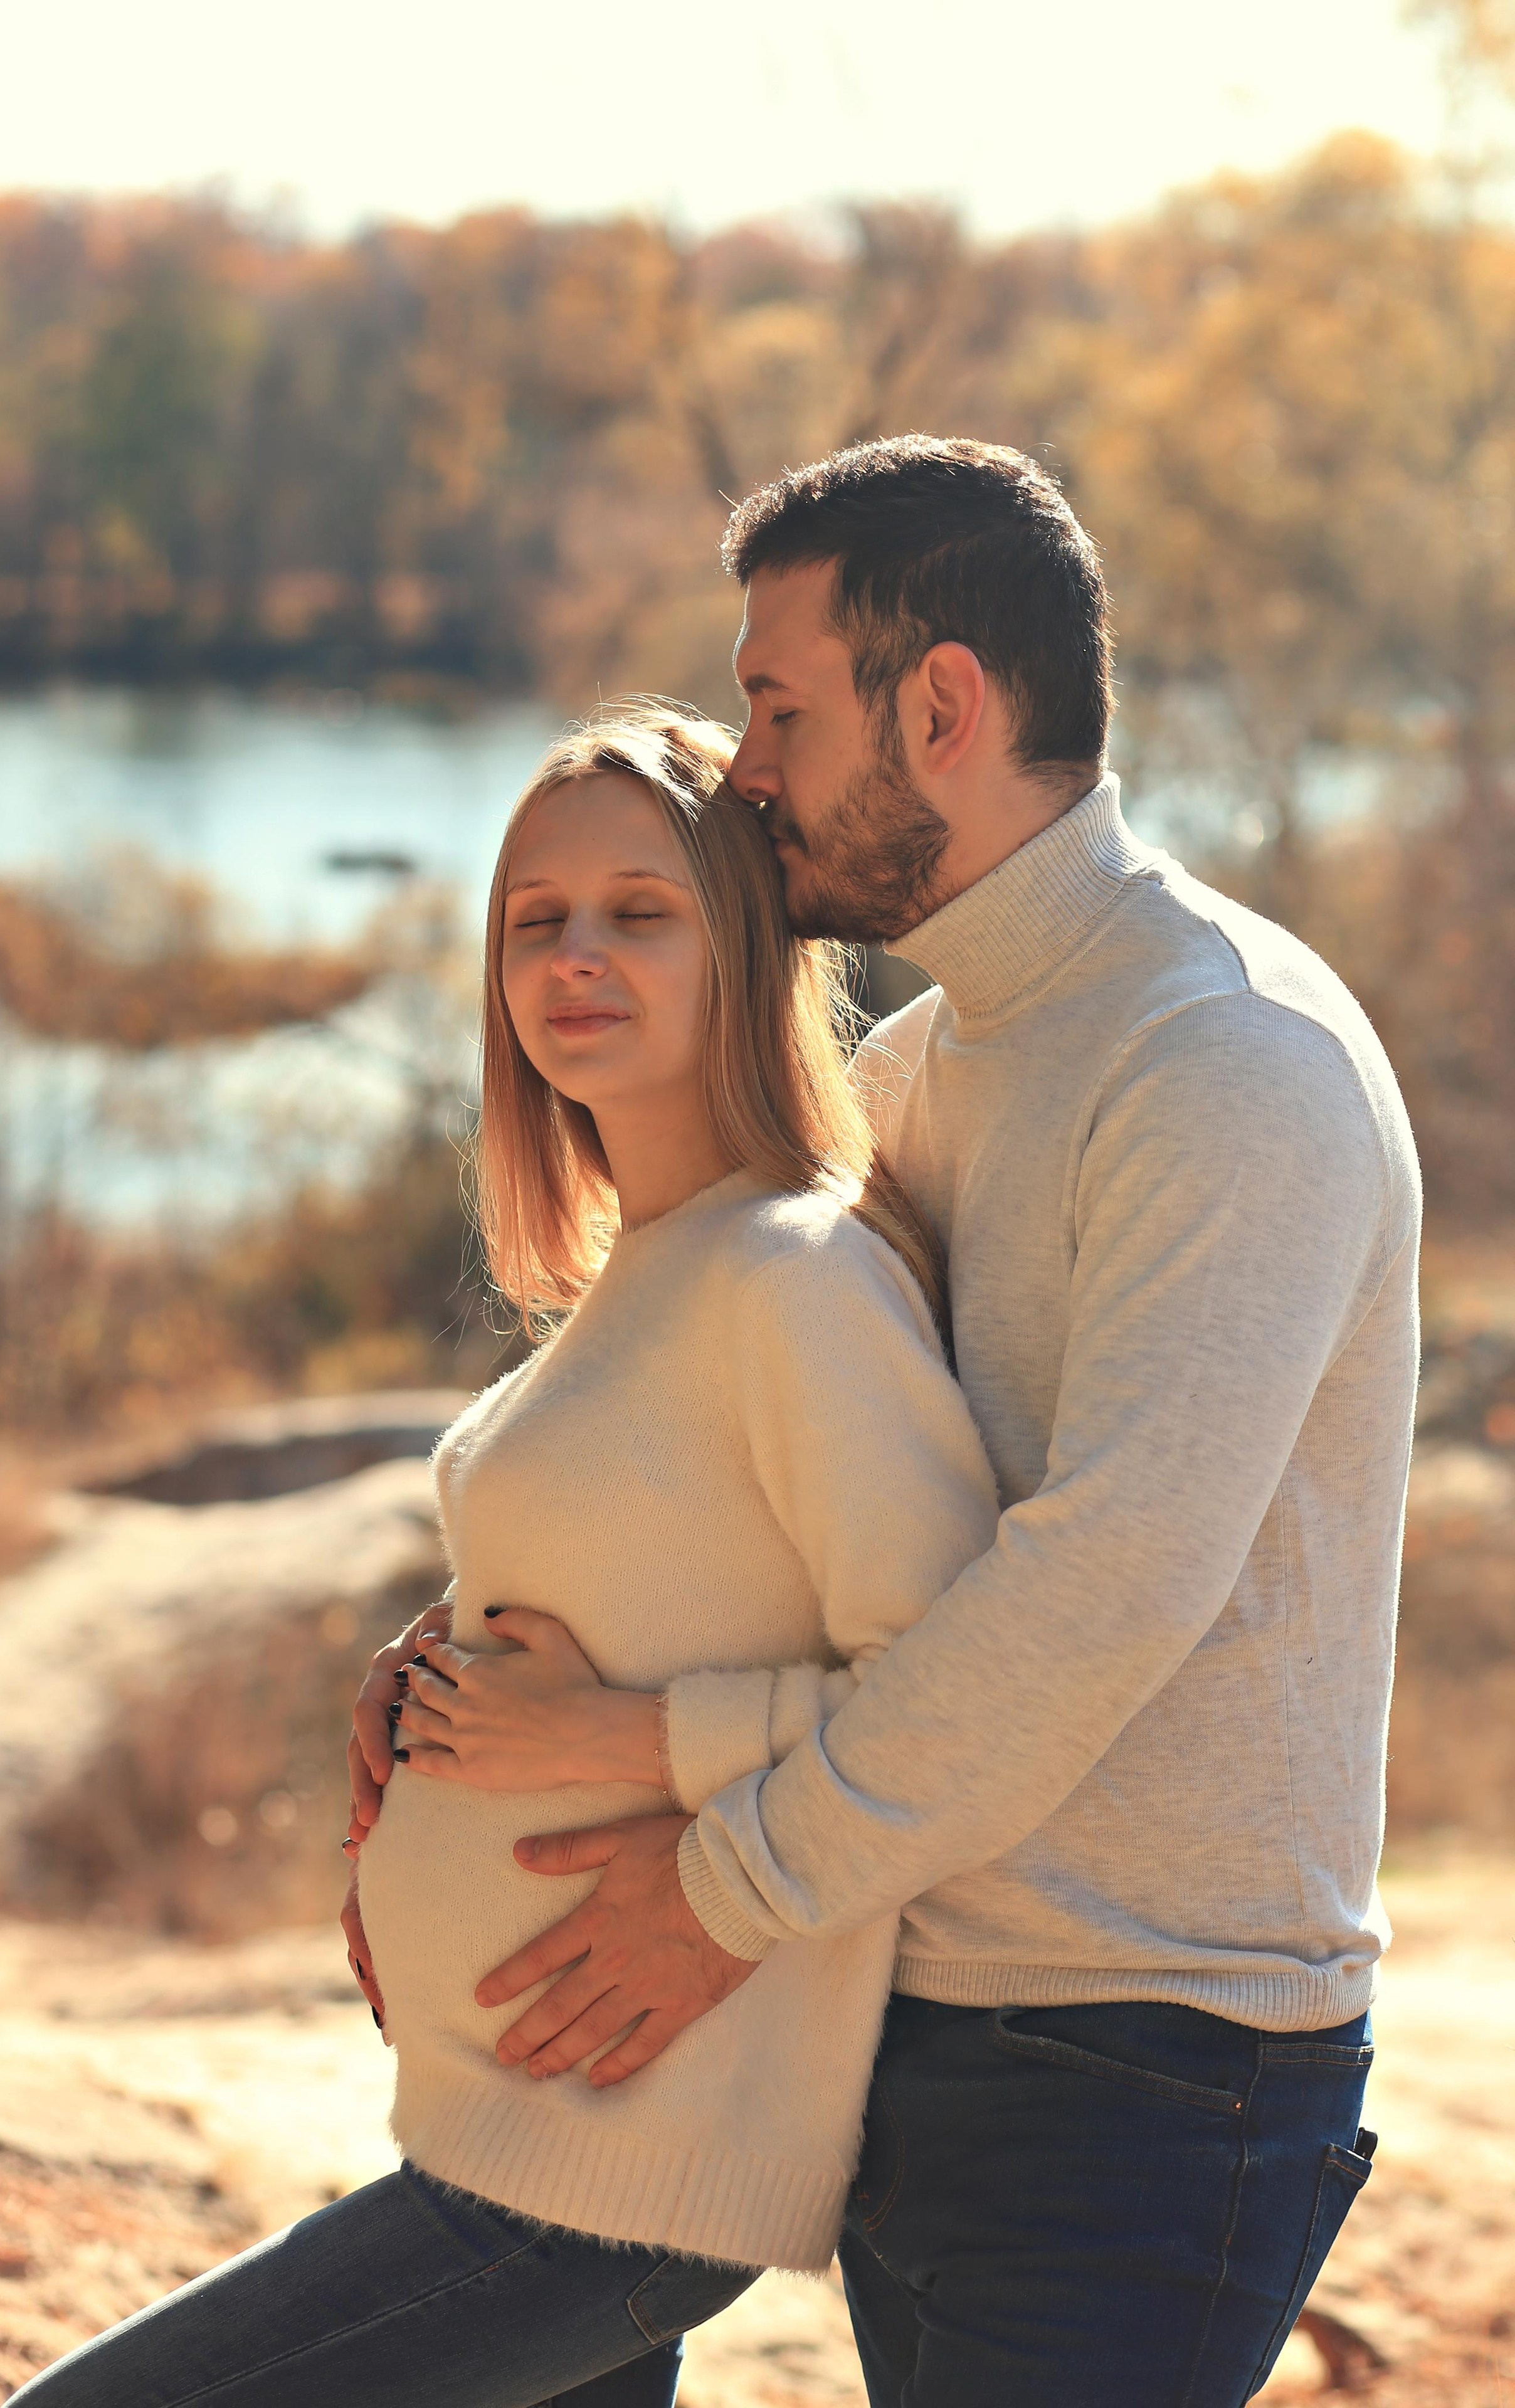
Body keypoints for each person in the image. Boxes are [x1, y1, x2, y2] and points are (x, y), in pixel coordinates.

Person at [345, 437, 1421, 2408]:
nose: (744, 769)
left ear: (940, 708)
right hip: (920, 2004)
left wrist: (718, 1890)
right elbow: (781, 1500)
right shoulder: (931, 1066)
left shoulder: (1227, 1064)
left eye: (777, 705)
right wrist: (481, 1679)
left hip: (1150, 2057)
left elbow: (1100, 1589)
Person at [10, 704, 1000, 2407]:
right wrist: (441, 1694)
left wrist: (618, 1748)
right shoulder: (664, 1270)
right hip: (527, 2136)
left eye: (642, 910)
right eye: (536, 921)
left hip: (615, 2173)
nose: (576, 956)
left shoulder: (796, 1277)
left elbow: (962, 1694)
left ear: (746, 943)